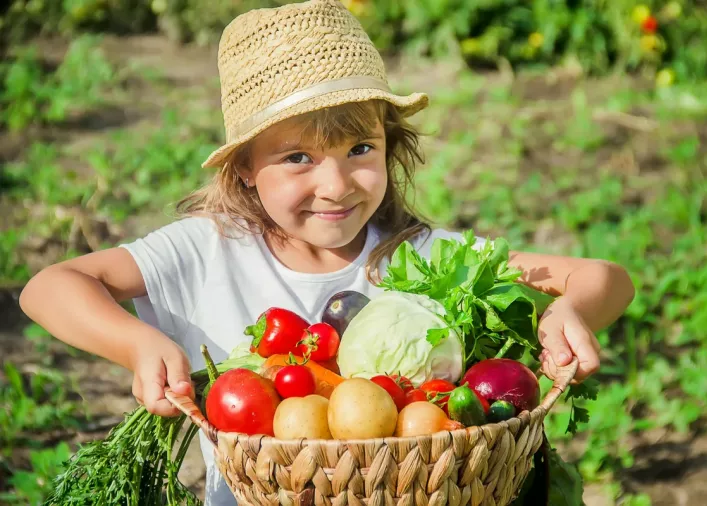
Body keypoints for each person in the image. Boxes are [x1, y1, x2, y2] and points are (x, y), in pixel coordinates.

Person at [19, 0, 635, 503]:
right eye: (298, 159)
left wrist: (565, 310)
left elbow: (601, 276)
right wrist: (138, 344)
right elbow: (49, 286)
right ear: (244, 171)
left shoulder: (422, 258)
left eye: (361, 150)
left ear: (390, 148)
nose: (337, 186)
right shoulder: (206, 252)